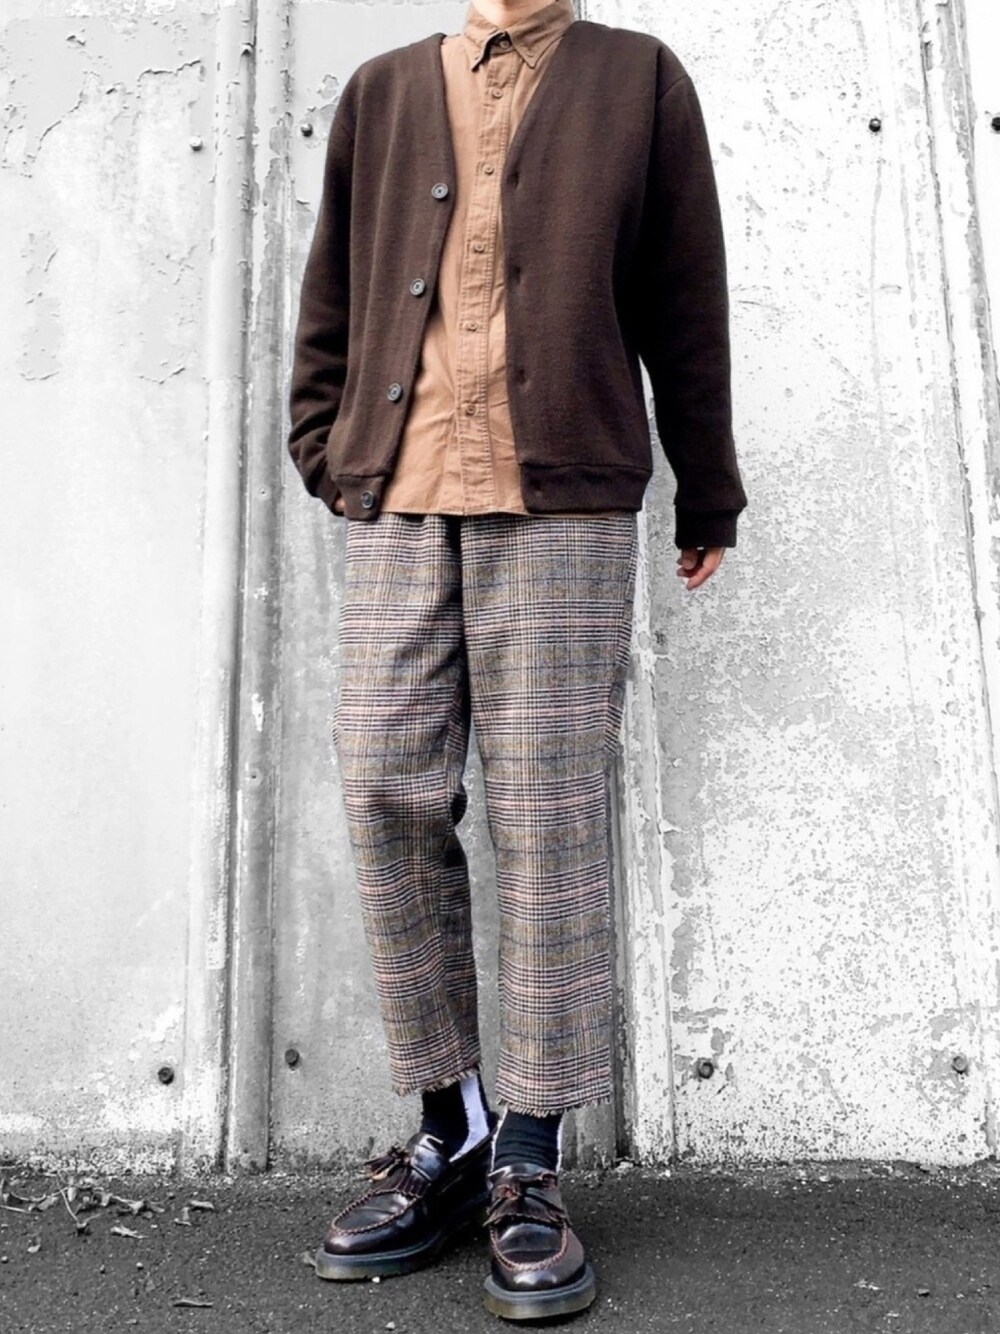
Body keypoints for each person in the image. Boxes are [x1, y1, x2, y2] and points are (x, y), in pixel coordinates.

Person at [287, 0, 746, 1320]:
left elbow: (684, 299)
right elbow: (333, 288)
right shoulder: (384, 90)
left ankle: (530, 1164)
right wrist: (325, 443)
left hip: (565, 508)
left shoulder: (638, 81)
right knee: (384, 783)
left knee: (548, 814)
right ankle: (453, 1128)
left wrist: (707, 486)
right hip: (401, 494)